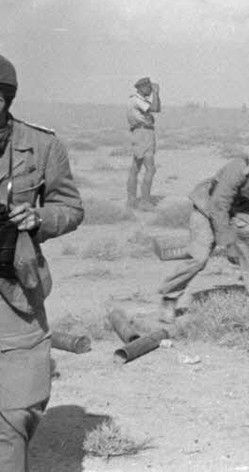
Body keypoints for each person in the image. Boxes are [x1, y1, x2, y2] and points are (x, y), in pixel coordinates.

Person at [0, 54, 84, 470]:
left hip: (14, 287)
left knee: (19, 408)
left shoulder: (41, 145)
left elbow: (70, 207)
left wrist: (39, 219)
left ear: (4, 100)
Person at [158, 144, 249, 321]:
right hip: (207, 208)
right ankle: (170, 297)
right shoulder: (239, 169)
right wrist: (228, 244)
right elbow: (218, 207)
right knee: (199, 258)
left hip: (238, 208)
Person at [126, 76, 161, 209]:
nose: (151, 91)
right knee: (150, 169)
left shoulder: (134, 99)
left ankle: (131, 199)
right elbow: (155, 108)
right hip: (144, 134)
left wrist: (156, 94)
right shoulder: (137, 100)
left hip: (139, 133)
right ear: (142, 87)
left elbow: (157, 108)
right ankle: (145, 201)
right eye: (149, 88)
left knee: (135, 168)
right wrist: (157, 93)